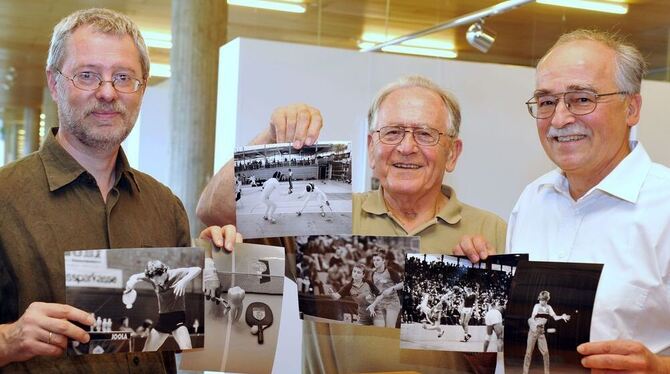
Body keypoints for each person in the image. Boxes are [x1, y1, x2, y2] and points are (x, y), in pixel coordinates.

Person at [0, 8, 239, 371]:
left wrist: (223, 267)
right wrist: (10, 338)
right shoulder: (5, 198)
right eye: (87, 76)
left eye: (124, 77)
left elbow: (196, 339)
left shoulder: (164, 205)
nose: (108, 92)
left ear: (141, 89)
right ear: (54, 82)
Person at [455, 30, 670, 372]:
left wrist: (659, 368)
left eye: (582, 99)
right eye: (546, 101)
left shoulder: (664, 207)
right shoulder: (532, 200)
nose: (559, 119)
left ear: (632, 107)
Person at [124, 260, 201, 351]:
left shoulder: (176, 274)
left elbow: (197, 269)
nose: (156, 283)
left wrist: (184, 281)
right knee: (146, 351)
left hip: (178, 321)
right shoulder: (152, 277)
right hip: (163, 321)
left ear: (164, 272)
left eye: (158, 280)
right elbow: (134, 276)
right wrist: (130, 284)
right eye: (154, 281)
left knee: (187, 350)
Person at [522, 291, 570, 374]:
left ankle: (547, 372)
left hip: (541, 331)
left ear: (546, 300)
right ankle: (525, 372)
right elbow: (532, 317)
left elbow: (555, 317)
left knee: (546, 353)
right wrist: (534, 326)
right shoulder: (537, 306)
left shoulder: (549, 307)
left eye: (542, 300)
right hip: (534, 330)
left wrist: (562, 316)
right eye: (539, 299)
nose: (540, 301)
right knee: (529, 353)